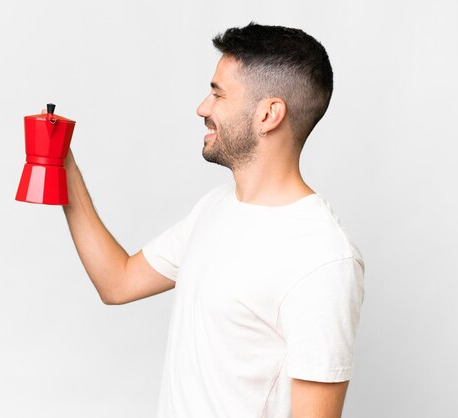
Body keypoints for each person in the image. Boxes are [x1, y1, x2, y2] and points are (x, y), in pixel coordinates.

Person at [61, 22, 365, 418]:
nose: (203, 107)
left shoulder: (322, 259)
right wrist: (62, 165)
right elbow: (117, 281)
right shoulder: (215, 208)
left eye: (218, 93)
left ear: (269, 114)